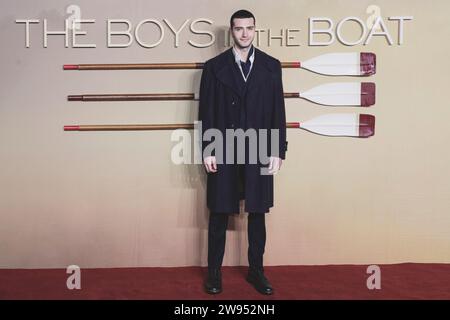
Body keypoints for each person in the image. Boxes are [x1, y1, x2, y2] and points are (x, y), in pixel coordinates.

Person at [198, 9, 287, 295]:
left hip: (260, 147)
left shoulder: (272, 66)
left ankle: (256, 272)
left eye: (249, 28)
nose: (244, 33)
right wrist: (207, 149)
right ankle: (214, 274)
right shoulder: (213, 67)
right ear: (231, 32)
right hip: (223, 146)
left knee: (258, 212)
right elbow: (206, 110)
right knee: (220, 211)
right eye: (239, 29)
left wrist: (278, 150)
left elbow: (278, 111)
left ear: (255, 29)